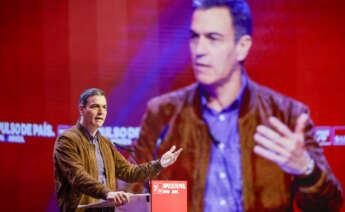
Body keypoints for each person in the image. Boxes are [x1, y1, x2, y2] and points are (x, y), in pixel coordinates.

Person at [132, 0, 343, 211]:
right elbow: (128, 194)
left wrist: (306, 169)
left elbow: (330, 205)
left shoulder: (287, 115)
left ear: (242, 47)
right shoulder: (162, 112)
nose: (199, 50)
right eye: (195, 37)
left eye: (213, 38)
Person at [53, 88, 182, 212]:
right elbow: (78, 177)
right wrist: (108, 193)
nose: (101, 112)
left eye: (104, 107)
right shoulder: (67, 140)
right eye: (95, 106)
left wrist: (159, 164)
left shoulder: (105, 144)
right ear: (82, 109)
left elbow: (129, 172)